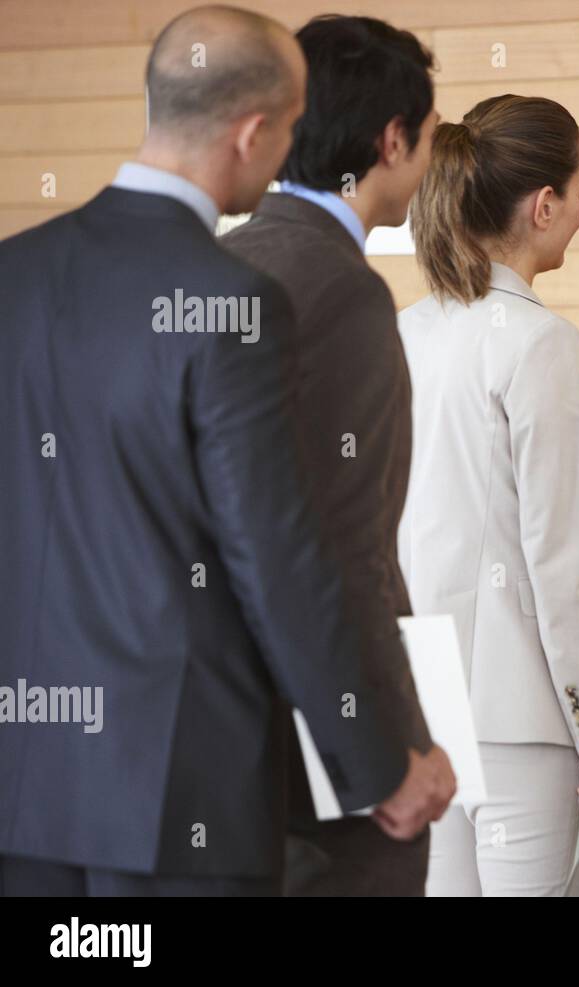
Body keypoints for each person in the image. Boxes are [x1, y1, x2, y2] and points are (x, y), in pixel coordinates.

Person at [0, 5, 449, 897]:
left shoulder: (17, 271)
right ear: (251, 133)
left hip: (28, 780)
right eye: (284, 130)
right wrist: (376, 761)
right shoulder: (230, 299)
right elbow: (280, 555)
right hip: (176, 785)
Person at [221, 13, 452, 897]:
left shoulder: (226, 260)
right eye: (428, 138)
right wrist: (391, 754)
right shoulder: (344, 293)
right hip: (320, 749)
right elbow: (344, 553)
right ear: (392, 140)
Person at [399, 95, 579, 896]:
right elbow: (565, 564)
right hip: (524, 726)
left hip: (423, 705)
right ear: (544, 207)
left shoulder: (405, 332)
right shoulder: (541, 344)